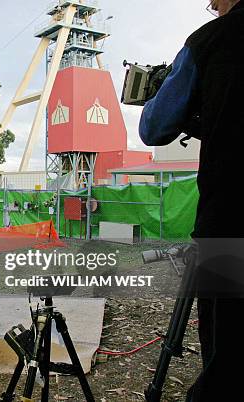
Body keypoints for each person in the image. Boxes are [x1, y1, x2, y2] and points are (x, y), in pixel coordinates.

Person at [139, 1, 244, 400]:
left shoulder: (209, 42)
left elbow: (154, 127)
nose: (212, 6)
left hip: (230, 225)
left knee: (226, 355)